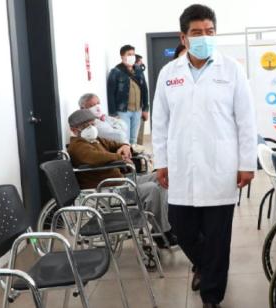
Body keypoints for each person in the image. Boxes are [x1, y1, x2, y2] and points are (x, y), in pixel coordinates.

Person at [152, 4, 257, 308]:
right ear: (183, 37)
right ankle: (204, 264)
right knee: (179, 226)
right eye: (196, 32)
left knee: (217, 238)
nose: (204, 38)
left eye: (209, 32)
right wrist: (162, 161)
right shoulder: (169, 73)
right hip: (181, 165)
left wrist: (247, 163)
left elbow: (246, 120)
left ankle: (212, 296)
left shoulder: (232, 70)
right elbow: (160, 121)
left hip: (220, 167)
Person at [66, 109, 177, 248]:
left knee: (159, 178)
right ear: (74, 130)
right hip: (108, 190)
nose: (91, 128)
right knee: (152, 189)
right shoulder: (77, 146)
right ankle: (164, 232)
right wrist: (121, 157)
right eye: (85, 125)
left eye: (92, 123)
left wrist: (124, 146)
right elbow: (96, 158)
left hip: (121, 181)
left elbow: (115, 144)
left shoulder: (95, 140)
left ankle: (162, 227)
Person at [107, 45, 149, 144]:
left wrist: (145, 109)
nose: (132, 57)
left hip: (137, 110)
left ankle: (133, 157)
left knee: (134, 139)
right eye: (129, 54)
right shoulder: (115, 72)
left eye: (133, 54)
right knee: (125, 138)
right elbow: (110, 94)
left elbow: (145, 90)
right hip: (123, 111)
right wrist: (113, 114)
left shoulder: (138, 70)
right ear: (122, 56)